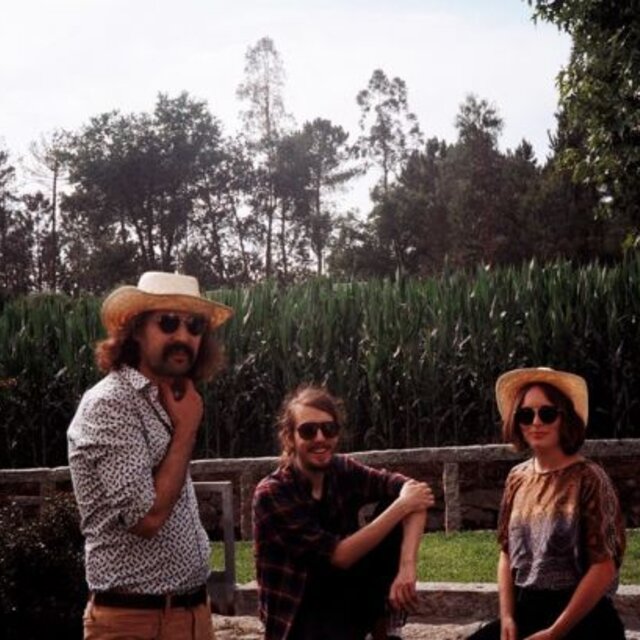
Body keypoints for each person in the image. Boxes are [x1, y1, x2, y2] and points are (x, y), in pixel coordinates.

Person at [67, 271, 233, 640]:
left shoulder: (168, 400)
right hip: (135, 622)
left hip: (192, 615)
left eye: (194, 326)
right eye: (168, 322)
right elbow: (146, 518)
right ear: (136, 330)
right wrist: (187, 430)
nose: (183, 337)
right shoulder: (111, 404)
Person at [253, 384, 435, 640]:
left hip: (344, 599)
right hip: (300, 618)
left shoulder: (342, 470)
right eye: (308, 430)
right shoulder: (272, 493)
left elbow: (415, 492)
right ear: (289, 438)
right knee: (396, 509)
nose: (320, 438)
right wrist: (402, 505)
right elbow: (340, 556)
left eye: (328, 429)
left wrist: (407, 567)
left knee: (394, 505)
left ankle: (383, 632)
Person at [469, 367, 626, 640]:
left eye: (547, 413)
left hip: (583, 617)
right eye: (525, 415)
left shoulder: (590, 479)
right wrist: (507, 617)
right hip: (527, 612)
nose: (536, 422)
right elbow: (506, 553)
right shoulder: (516, 478)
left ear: (565, 419)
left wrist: (555, 633)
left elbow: (605, 566)